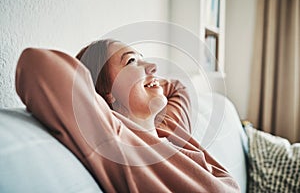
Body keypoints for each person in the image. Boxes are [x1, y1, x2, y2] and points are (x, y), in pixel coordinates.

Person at [15, 39, 240, 192]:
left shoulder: (170, 129)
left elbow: (178, 88)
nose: (153, 65)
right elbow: (35, 63)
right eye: (131, 61)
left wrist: (145, 80)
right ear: (105, 95)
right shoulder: (118, 143)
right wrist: (101, 98)